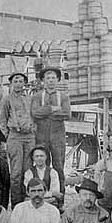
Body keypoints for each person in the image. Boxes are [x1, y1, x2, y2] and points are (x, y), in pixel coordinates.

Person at [31, 66, 71, 194]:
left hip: (58, 138)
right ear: (43, 80)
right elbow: (35, 113)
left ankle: (60, 200)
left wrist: (45, 112)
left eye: (53, 78)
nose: (51, 80)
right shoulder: (37, 96)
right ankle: (43, 196)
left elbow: (67, 114)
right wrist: (52, 109)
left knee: (59, 167)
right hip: (41, 138)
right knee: (42, 167)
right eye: (48, 78)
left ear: (58, 80)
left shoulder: (63, 96)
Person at [0, 72, 36, 207]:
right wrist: (8, 135)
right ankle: (16, 204)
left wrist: (33, 129)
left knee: (28, 170)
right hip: (15, 136)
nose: (19, 84)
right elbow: (2, 120)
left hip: (29, 137)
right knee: (16, 172)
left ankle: (27, 203)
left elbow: (35, 115)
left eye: (21, 81)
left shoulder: (30, 99)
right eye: (16, 81)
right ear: (11, 83)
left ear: (24, 83)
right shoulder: (7, 99)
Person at [23, 145, 62, 209]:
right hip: (34, 201)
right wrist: (51, 194)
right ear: (33, 158)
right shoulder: (29, 173)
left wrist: (52, 195)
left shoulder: (53, 172)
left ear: (46, 157)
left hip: (50, 202)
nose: (39, 158)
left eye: (41, 156)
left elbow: (56, 191)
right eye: (37, 156)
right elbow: (29, 192)